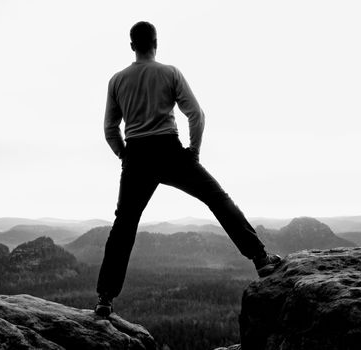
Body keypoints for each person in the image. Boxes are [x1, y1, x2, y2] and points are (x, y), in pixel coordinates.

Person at [95, 21, 282, 317]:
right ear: (156, 42)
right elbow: (196, 114)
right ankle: (260, 258)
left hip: (137, 155)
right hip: (170, 150)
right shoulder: (170, 73)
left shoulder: (117, 80)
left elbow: (109, 128)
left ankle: (105, 297)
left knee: (124, 225)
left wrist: (125, 156)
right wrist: (193, 152)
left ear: (132, 45)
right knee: (218, 198)